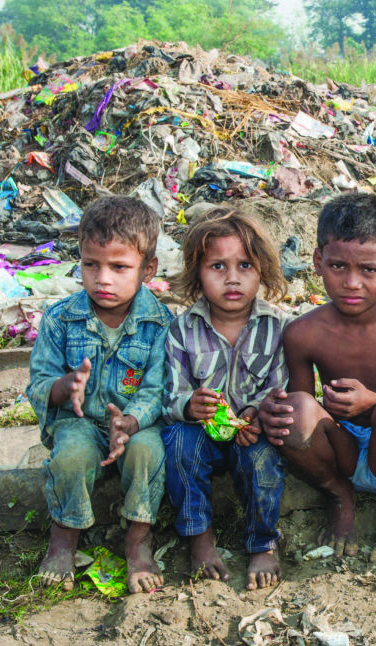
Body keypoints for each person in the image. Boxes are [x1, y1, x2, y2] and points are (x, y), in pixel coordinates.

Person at [258, 194, 376, 563]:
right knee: (292, 409)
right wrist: (274, 410)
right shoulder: (303, 333)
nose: (352, 282)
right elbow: (303, 410)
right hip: (340, 451)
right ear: (317, 262)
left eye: (369, 270)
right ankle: (339, 496)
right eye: (338, 266)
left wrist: (374, 402)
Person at [28, 196, 171, 593]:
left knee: (150, 451)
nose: (102, 279)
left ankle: (139, 538)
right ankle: (64, 536)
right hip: (79, 423)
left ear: (149, 269)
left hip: (135, 426)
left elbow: (158, 388)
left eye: (119, 267)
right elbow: (38, 384)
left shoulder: (160, 323)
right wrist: (63, 387)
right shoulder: (60, 318)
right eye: (91, 264)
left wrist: (130, 420)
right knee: (72, 454)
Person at [162, 208, 289, 591]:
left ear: (262, 271)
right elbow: (169, 394)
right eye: (218, 266)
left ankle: (263, 542)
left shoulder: (278, 326)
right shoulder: (182, 329)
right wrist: (189, 406)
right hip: (200, 434)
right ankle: (199, 538)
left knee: (264, 459)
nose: (232, 278)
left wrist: (256, 413)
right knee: (179, 445)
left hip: (251, 434)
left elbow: (280, 385)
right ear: (197, 273)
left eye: (245, 265)